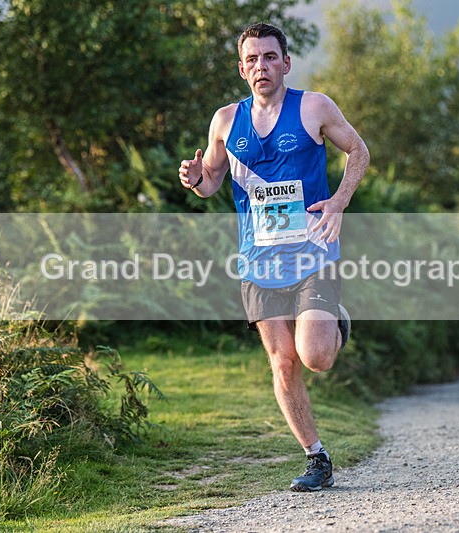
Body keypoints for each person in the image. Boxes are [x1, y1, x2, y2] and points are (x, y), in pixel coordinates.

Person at [178, 22, 369, 492]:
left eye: (269, 57)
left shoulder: (314, 107)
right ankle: (316, 458)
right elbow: (213, 184)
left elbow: (358, 150)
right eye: (251, 59)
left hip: (313, 252)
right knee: (282, 361)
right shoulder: (225, 121)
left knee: (316, 357)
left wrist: (340, 200)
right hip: (258, 260)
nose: (260, 66)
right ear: (241, 69)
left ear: (285, 62)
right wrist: (195, 178)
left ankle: (334, 321)